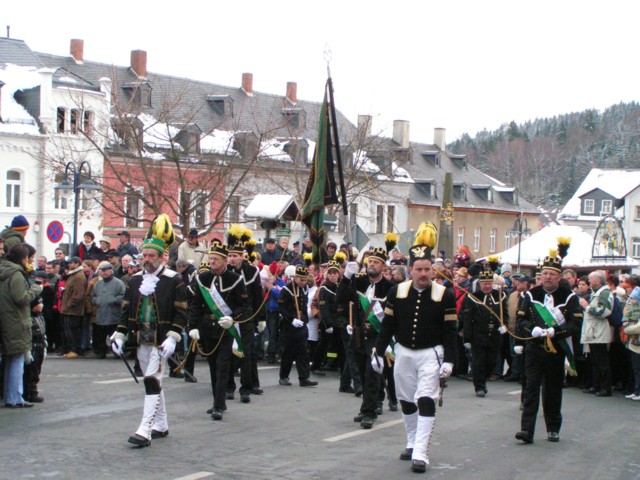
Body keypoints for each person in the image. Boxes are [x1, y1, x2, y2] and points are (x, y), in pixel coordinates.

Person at [371, 223, 457, 473]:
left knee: (426, 399)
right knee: (406, 400)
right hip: (404, 352)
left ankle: (421, 452)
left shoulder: (445, 293)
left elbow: (451, 331)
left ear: (433, 270)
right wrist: (377, 351)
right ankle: (411, 442)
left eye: (427, 269)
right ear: (410, 270)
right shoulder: (397, 291)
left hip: (431, 353)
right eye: (418, 269)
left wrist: (450, 360)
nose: (423, 274)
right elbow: (387, 325)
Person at [110, 215, 187, 447]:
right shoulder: (134, 281)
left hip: (161, 340)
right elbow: (126, 312)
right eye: (144, 255)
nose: (147, 259)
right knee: (151, 379)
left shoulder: (174, 280)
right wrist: (120, 334)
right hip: (140, 338)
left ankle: (145, 430)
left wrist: (174, 337)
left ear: (162, 256)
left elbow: (182, 312)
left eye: (151, 256)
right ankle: (161, 424)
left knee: (152, 380)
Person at [515, 253, 580, 444]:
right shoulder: (530, 295)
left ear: (559, 277)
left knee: (552, 390)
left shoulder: (569, 297)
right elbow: (520, 320)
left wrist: (556, 331)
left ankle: (553, 427)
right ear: (540, 276)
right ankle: (527, 430)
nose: (548, 277)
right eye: (545, 273)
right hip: (535, 348)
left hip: (556, 351)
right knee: (531, 389)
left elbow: (575, 324)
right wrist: (532, 329)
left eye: (552, 274)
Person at [188, 239, 247, 420]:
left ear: (224, 261)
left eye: (215, 259)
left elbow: (244, 306)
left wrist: (233, 318)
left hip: (225, 329)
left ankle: (218, 405)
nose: (212, 261)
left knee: (222, 366)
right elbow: (196, 305)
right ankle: (218, 401)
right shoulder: (203, 278)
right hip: (207, 328)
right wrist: (193, 327)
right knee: (213, 366)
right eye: (210, 258)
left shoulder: (235, 279)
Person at [337, 245, 392, 429]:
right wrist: (346, 277)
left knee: (372, 373)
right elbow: (341, 298)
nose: (372, 264)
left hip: (377, 336)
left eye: (376, 262)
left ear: (383, 267)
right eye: (370, 261)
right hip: (359, 333)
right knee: (361, 372)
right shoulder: (358, 281)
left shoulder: (389, 288)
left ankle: (370, 412)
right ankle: (368, 405)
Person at [0, 244, 42, 407]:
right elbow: (21, 298)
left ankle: (11, 395)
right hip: (16, 320)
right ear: (22, 258)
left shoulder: (4, 270)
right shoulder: (16, 274)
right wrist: (35, 289)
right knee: (17, 359)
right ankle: (15, 397)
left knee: (10, 358)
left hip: (6, 318)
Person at [225, 227, 264, 403]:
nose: (232, 259)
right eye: (230, 256)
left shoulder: (252, 272)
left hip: (246, 317)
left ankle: (246, 389)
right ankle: (228, 387)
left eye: (235, 256)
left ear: (242, 256)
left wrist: (260, 318)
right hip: (227, 318)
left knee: (246, 354)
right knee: (228, 354)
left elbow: (257, 297)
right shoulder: (224, 273)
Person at [460, 271, 509, 397]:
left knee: (491, 362)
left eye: (489, 283)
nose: (487, 286)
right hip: (478, 335)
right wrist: (467, 338)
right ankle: (479, 386)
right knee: (478, 362)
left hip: (495, 335)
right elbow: (467, 318)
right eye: (484, 284)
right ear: (480, 284)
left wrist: (505, 326)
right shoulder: (473, 297)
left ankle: (483, 380)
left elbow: (505, 315)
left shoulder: (500, 295)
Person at [278, 265, 317, 387]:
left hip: (302, 325)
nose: (303, 282)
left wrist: (304, 319)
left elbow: (304, 307)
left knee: (303, 352)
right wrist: (291, 319)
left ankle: (304, 378)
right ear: (295, 277)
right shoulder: (286, 289)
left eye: (305, 280)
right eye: (301, 279)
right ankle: (284, 376)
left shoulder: (304, 288)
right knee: (288, 352)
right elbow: (282, 308)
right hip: (289, 325)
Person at [579, 270, 614, 397]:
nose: (589, 282)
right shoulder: (597, 293)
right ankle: (596, 385)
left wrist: (587, 307)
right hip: (594, 331)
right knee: (595, 361)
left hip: (598, 331)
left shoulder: (604, 293)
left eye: (590, 279)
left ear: (598, 280)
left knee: (601, 361)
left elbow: (604, 311)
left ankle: (605, 388)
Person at [91, 262, 126, 358]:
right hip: (101, 313)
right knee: (101, 335)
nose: (103, 273)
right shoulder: (98, 284)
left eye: (106, 271)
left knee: (114, 334)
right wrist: (96, 301)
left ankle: (116, 352)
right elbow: (92, 296)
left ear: (111, 271)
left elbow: (123, 296)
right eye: (102, 271)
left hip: (114, 314)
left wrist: (113, 300)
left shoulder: (119, 283)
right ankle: (101, 352)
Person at [60, 256, 87, 358]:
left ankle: (76, 350)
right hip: (69, 309)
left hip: (73, 310)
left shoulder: (78, 276)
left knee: (73, 330)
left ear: (77, 264)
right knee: (69, 330)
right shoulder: (74, 275)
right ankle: (72, 349)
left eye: (71, 263)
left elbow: (78, 295)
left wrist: (68, 305)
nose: (69, 265)